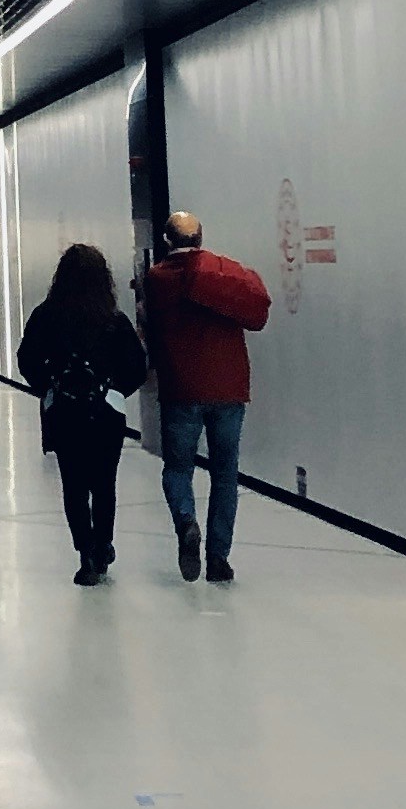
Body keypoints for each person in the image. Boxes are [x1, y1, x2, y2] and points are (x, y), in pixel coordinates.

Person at [144, 206, 272, 585]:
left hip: (181, 390)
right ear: (200, 239)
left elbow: (153, 326)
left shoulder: (157, 279)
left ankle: (187, 522)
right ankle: (218, 558)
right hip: (229, 389)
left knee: (177, 469)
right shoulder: (222, 274)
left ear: (167, 241)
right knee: (225, 474)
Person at [16, 243, 149, 584]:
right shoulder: (114, 321)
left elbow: (26, 359)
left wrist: (47, 386)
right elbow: (137, 368)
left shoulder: (46, 316)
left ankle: (85, 552)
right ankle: (103, 544)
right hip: (106, 414)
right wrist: (116, 391)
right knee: (104, 484)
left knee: (73, 485)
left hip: (64, 411)